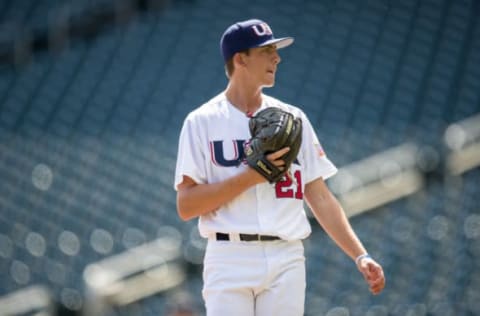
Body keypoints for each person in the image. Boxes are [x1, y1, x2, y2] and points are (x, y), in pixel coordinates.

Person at [174, 18, 385, 316]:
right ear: (240, 58)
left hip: (286, 256)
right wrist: (250, 177)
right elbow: (186, 205)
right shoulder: (201, 122)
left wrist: (360, 255)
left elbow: (320, 196)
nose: (277, 57)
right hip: (229, 257)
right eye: (266, 50)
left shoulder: (293, 119)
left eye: (275, 50)